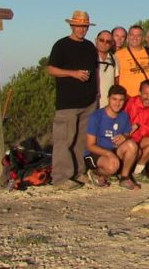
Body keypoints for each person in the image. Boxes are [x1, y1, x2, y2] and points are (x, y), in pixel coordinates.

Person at [48, 10, 99, 190]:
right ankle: (61, 178)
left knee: (81, 140)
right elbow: (51, 69)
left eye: (84, 26)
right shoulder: (61, 45)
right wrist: (73, 73)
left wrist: (96, 94)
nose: (82, 29)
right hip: (68, 103)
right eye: (78, 26)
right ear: (72, 26)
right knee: (64, 139)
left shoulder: (89, 47)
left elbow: (95, 71)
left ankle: (77, 173)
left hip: (88, 102)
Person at [84, 85, 140, 190]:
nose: (117, 103)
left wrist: (124, 136)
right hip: (97, 152)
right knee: (112, 166)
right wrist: (108, 153)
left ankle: (124, 178)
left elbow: (127, 134)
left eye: (121, 100)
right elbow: (90, 145)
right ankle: (96, 173)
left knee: (132, 146)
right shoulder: (97, 116)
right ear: (108, 98)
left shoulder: (124, 115)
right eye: (114, 99)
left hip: (113, 150)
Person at [125, 79, 149, 183]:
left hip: (139, 140)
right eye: (145, 94)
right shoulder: (131, 104)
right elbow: (124, 125)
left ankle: (138, 172)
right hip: (126, 140)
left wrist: (139, 127)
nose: (148, 97)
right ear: (140, 92)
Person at [115, 25, 149, 98]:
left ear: (143, 38)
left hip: (146, 99)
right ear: (128, 37)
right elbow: (116, 78)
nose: (135, 38)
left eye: (138, 35)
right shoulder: (118, 54)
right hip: (127, 98)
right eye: (132, 35)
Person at [95, 30, 116, 108]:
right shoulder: (89, 57)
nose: (104, 43)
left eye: (108, 41)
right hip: (90, 104)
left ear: (111, 44)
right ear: (96, 41)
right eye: (101, 40)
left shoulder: (114, 59)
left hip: (108, 105)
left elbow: (116, 80)